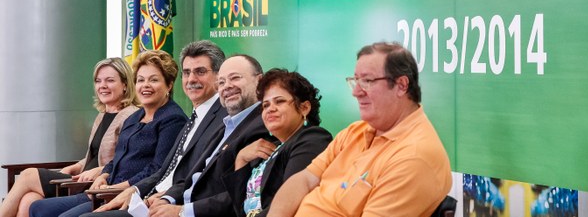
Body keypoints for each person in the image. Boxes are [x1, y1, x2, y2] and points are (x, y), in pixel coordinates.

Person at [268, 42, 452, 217]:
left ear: (401, 85)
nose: (356, 92)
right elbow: (305, 179)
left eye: (368, 81)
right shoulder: (356, 131)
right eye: (355, 81)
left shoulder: (414, 157)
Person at [29, 50, 188, 217]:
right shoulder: (135, 117)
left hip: (129, 195)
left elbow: (159, 169)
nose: (145, 85)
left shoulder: (173, 119)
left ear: (169, 85)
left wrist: (120, 186)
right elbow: (117, 158)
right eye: (140, 80)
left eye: (153, 80)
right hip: (104, 189)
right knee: (38, 208)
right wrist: (103, 175)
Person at [86, 41, 228, 217]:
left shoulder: (216, 119)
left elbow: (190, 176)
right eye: (187, 73)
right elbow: (166, 170)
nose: (191, 79)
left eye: (200, 72)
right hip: (141, 196)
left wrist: (164, 198)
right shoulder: (194, 116)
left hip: (172, 204)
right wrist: (127, 186)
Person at [0, 58, 140, 217]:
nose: (103, 86)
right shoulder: (102, 115)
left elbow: (128, 160)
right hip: (79, 177)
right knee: (28, 200)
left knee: (27, 175)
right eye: (98, 81)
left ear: (125, 84)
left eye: (110, 80)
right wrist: (74, 167)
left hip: (97, 184)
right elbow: (92, 156)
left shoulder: (132, 116)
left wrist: (100, 170)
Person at [145, 54, 274, 217]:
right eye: (221, 82)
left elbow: (245, 194)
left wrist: (182, 211)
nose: (227, 86)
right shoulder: (225, 125)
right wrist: (168, 199)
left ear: (260, 82)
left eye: (235, 78)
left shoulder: (264, 125)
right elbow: (195, 176)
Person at [222, 68, 332, 217]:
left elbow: (292, 204)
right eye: (265, 105)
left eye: (279, 101)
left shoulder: (312, 139)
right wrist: (241, 159)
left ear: (304, 108)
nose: (270, 109)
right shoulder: (269, 147)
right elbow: (241, 210)